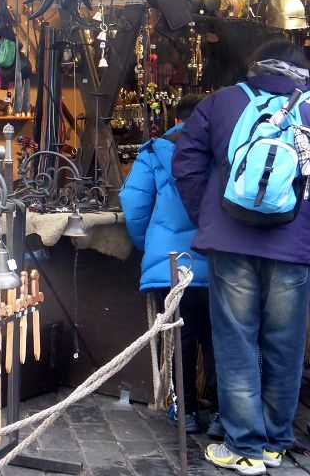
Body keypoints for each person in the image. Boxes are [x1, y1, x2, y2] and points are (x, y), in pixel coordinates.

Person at [172, 38, 310, 475]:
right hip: (294, 247)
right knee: (285, 346)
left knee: (236, 343)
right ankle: (273, 444)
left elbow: (186, 162)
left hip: (230, 242)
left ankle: (244, 447)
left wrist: (208, 214)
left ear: (255, 66)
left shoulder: (221, 102)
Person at [119, 94, 222, 438]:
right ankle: (221, 413)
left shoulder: (153, 151)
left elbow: (134, 203)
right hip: (217, 256)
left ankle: (186, 411)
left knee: (181, 334)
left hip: (173, 262)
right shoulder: (222, 147)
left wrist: (146, 244)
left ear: (176, 119)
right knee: (217, 337)